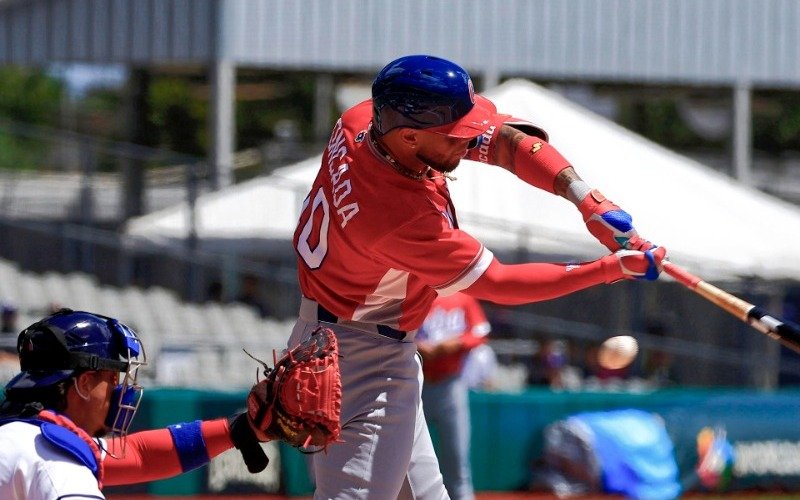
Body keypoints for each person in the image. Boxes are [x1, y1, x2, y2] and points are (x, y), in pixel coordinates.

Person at [289, 54, 667, 499]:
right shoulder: (397, 217)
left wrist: (588, 201)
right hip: (359, 355)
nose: (467, 144)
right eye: (455, 136)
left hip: (355, 336)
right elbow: (501, 283)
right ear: (409, 135)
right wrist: (612, 268)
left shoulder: (366, 121)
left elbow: (507, 141)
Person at [0, 308, 267, 499]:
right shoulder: (59, 465)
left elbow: (141, 454)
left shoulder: (20, 433)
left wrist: (235, 430)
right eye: (111, 378)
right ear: (84, 384)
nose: (118, 389)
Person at [416, 292, 490, 500]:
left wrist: (456, 343)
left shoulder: (463, 298)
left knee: (457, 462)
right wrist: (416, 345)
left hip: (451, 385)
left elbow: (481, 331)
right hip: (416, 384)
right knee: (404, 460)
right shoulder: (414, 292)